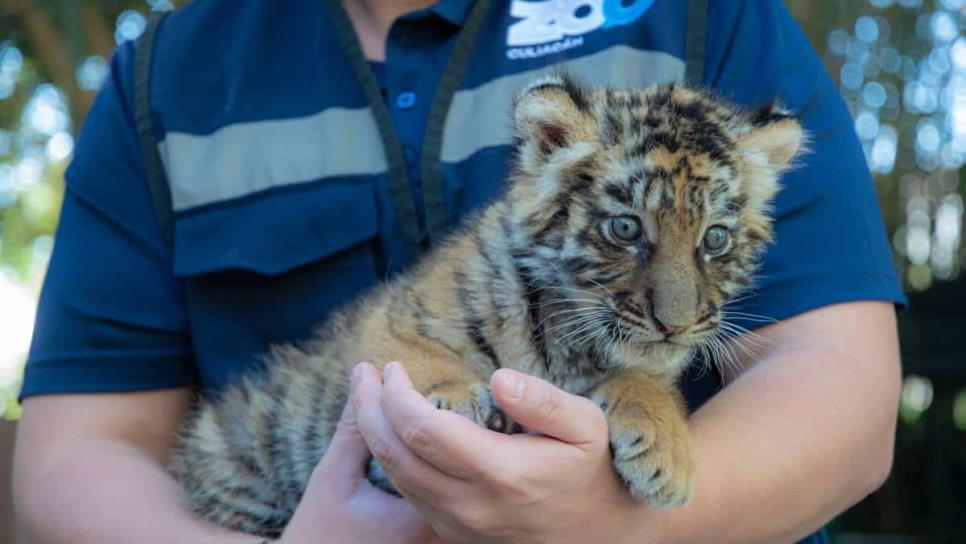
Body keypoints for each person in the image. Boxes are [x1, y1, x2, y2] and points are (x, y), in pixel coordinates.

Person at [13, 0, 905, 543]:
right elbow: (77, 453)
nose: (678, 304)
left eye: (708, 247)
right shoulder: (161, 80)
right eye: (630, 232)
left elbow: (841, 389)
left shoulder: (706, 13)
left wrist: (616, 529)